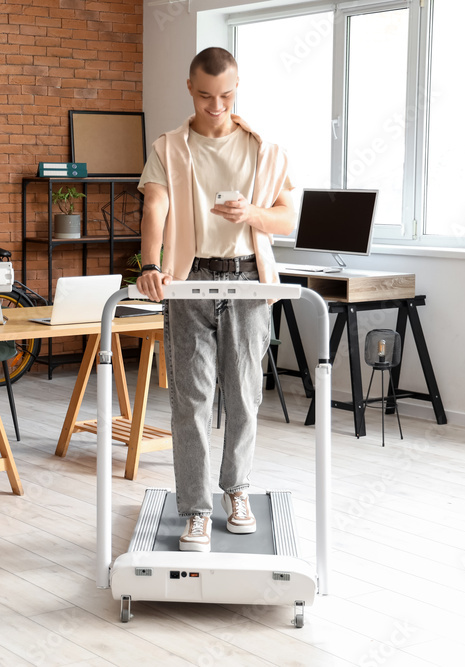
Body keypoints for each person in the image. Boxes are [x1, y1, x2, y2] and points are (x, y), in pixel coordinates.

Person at [136, 47, 296, 552]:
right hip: (189, 281)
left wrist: (250, 213)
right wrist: (149, 264)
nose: (215, 105)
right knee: (192, 402)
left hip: (248, 282)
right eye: (205, 95)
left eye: (225, 95)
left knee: (245, 397)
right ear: (190, 89)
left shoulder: (265, 150)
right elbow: (155, 205)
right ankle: (196, 510)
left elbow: (287, 219)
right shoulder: (169, 146)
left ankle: (238, 491)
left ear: (237, 88)